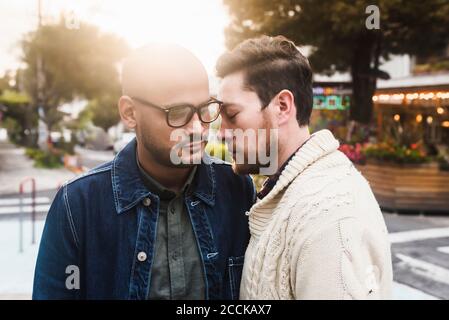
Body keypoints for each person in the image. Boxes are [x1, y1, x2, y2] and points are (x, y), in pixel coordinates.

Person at [33, 44, 255, 300]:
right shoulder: (78, 204)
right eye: (179, 113)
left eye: (205, 109)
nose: (199, 128)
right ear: (129, 113)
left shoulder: (237, 188)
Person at [216, 35, 393, 299]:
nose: (221, 133)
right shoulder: (291, 190)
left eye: (231, 116)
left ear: (282, 107)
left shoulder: (330, 215)